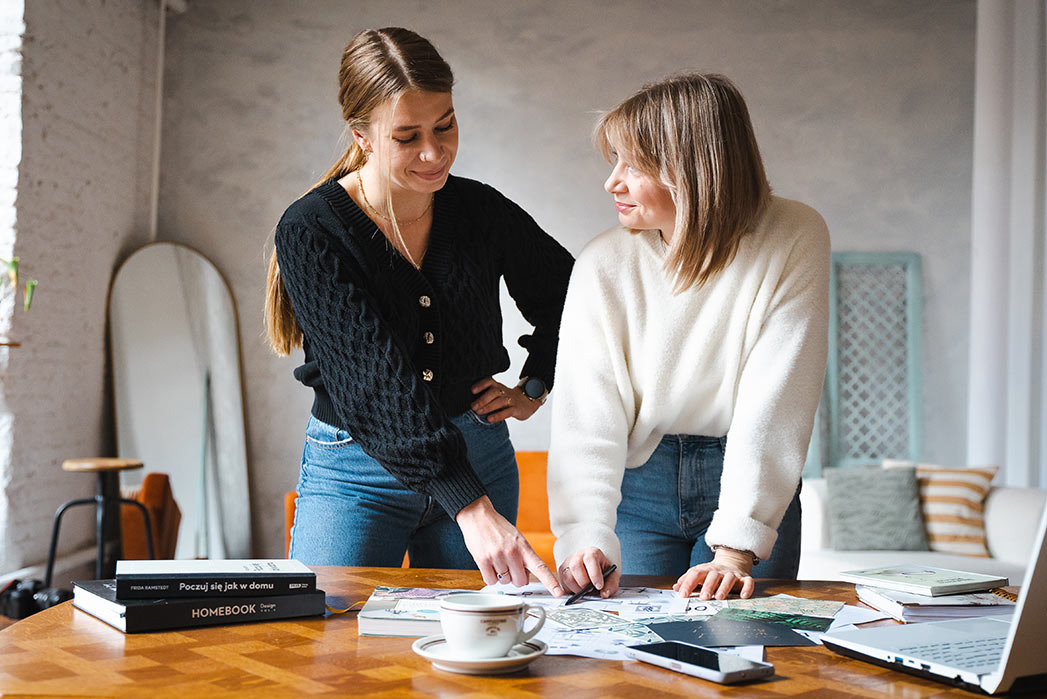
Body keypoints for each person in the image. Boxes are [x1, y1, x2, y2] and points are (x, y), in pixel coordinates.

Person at [264, 27, 572, 594]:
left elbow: (575, 298)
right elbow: (371, 382)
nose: (434, 153)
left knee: (477, 639)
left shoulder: (480, 210)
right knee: (327, 636)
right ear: (362, 136)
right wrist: (470, 506)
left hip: (479, 452)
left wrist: (535, 385)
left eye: (445, 126)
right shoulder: (311, 230)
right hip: (356, 472)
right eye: (407, 137)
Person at [547, 73, 829, 601]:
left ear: (691, 169)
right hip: (640, 483)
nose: (612, 182)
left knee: (739, 642)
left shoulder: (793, 235)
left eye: (633, 165)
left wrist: (737, 547)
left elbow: (779, 396)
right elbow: (588, 413)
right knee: (632, 649)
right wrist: (585, 533)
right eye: (614, 161)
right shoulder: (604, 262)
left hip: (750, 477)